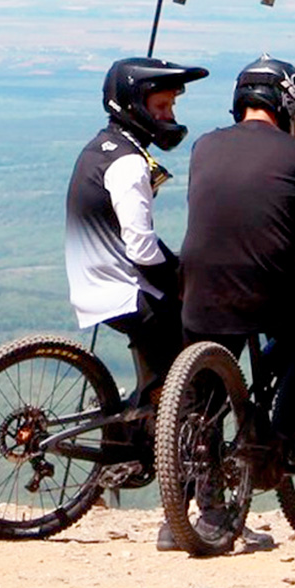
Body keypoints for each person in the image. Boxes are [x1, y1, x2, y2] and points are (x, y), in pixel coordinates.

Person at [176, 55, 295, 549]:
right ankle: (275, 438)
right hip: (267, 289)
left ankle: (195, 511)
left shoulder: (204, 146)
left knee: (203, 394)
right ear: (288, 102)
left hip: (197, 287)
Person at [63, 57, 208, 404]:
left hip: (94, 286)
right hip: (124, 292)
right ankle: (166, 429)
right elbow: (142, 249)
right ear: (133, 104)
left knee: (164, 369)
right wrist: (181, 286)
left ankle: (140, 418)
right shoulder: (129, 163)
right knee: (203, 354)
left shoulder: (99, 148)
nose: (169, 116)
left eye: (171, 105)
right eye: (161, 106)